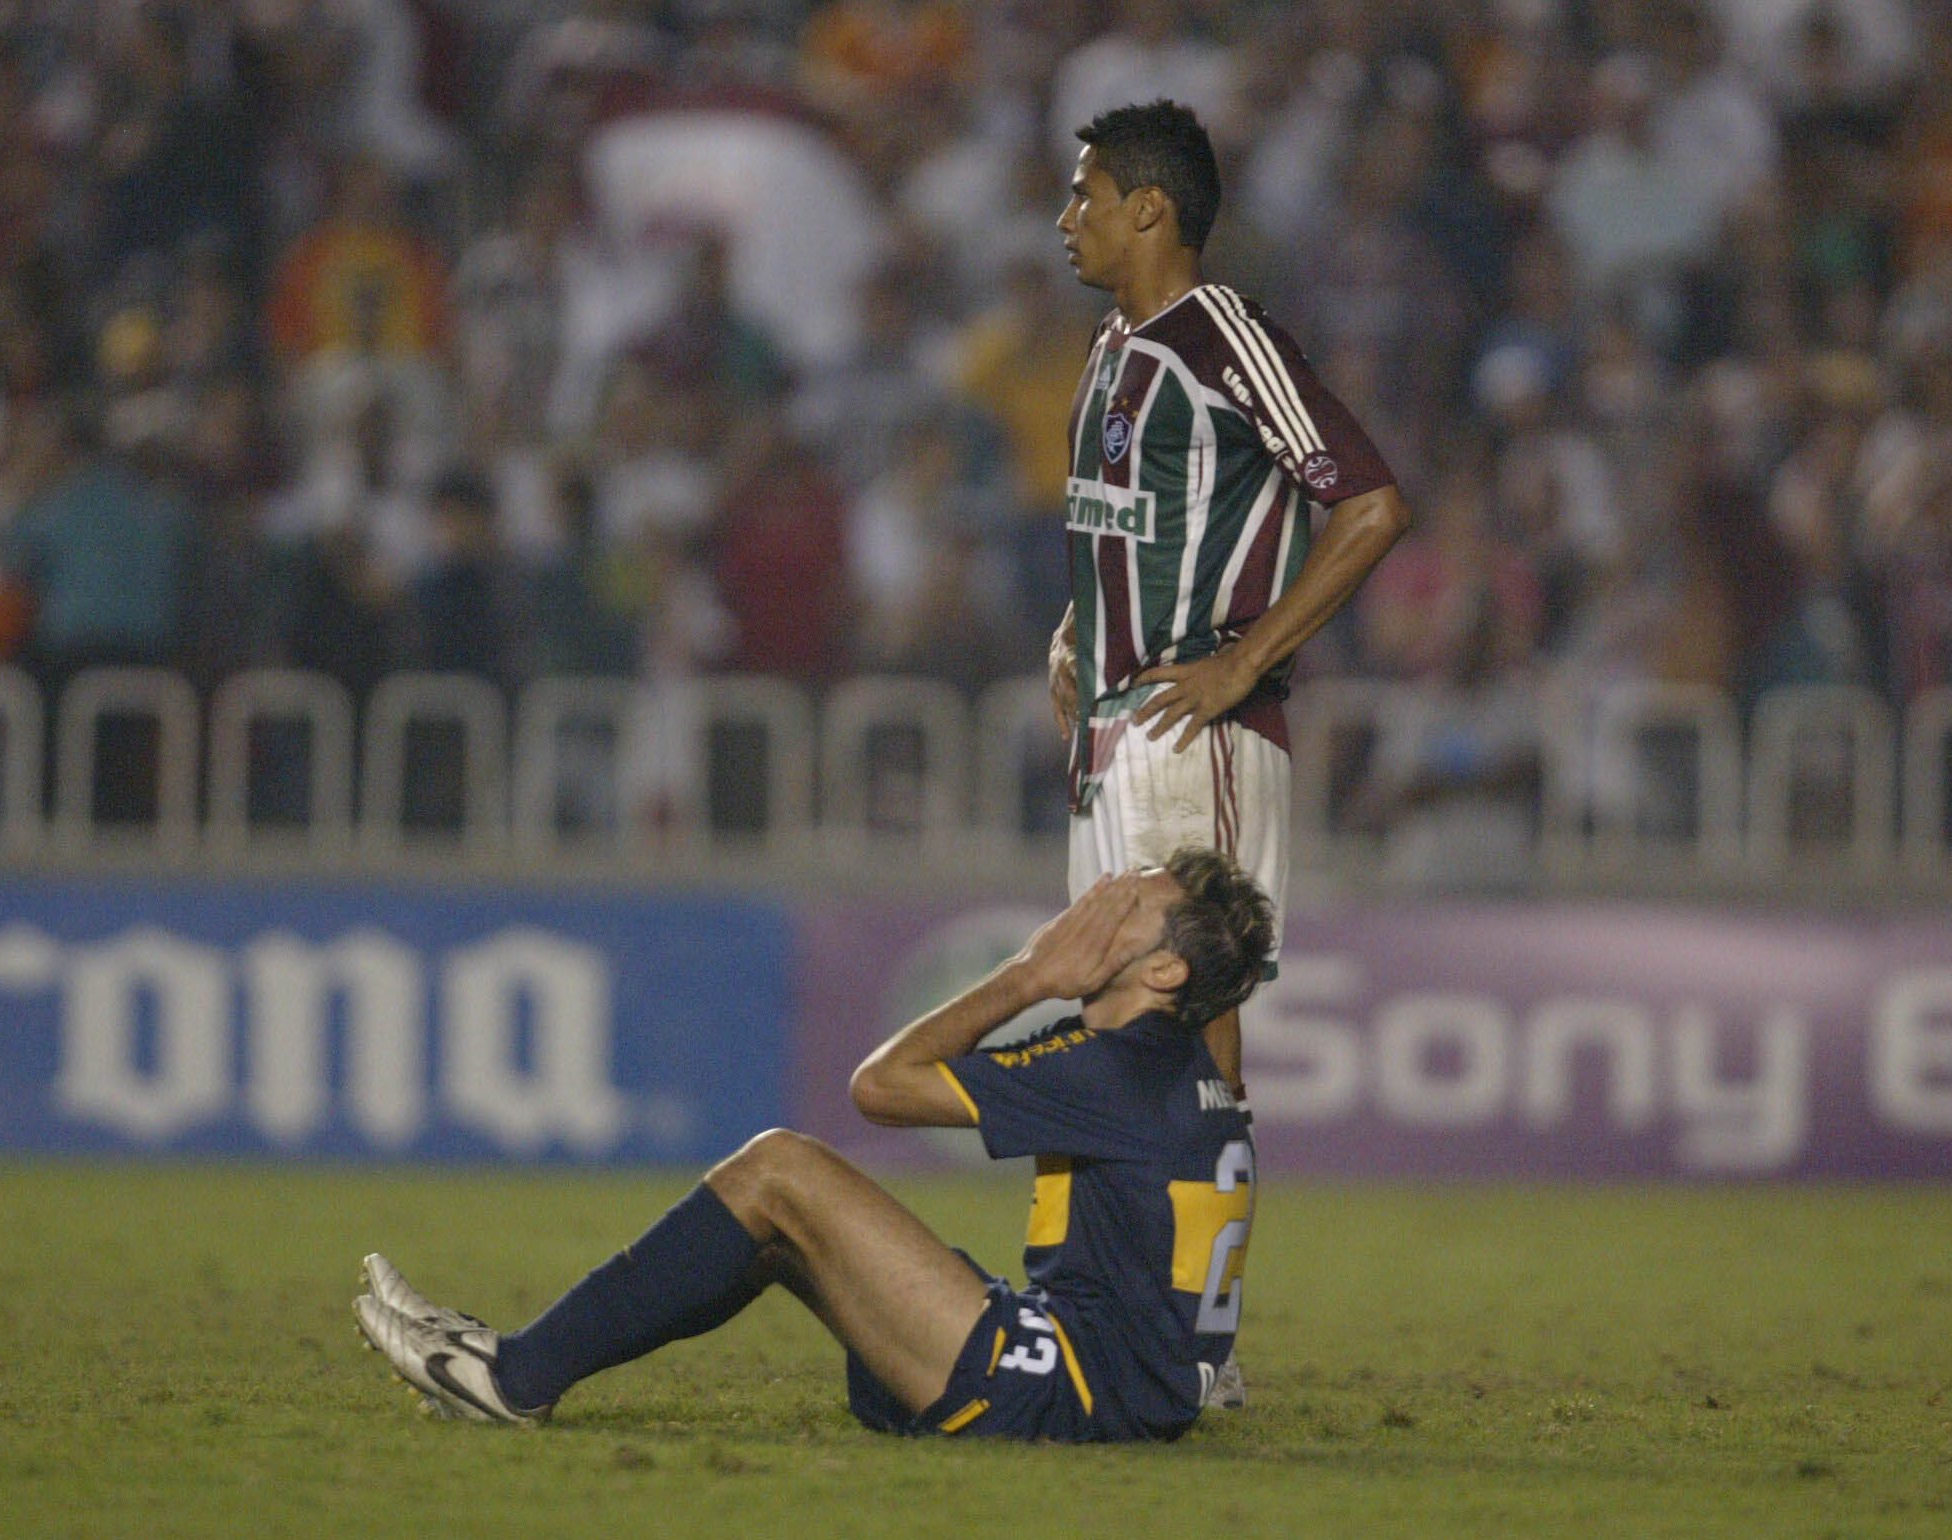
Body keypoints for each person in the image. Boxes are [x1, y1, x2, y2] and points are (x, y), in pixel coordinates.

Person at [354, 850, 1274, 1443]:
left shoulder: (1109, 1070)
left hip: (1069, 1388)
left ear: (1163, 971)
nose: (1096, 905)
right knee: (775, 1231)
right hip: (1119, 1383)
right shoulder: (1187, 1059)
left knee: (779, 1169)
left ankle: (510, 1379)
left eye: (1128, 907)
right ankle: (526, 1361)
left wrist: (1031, 974)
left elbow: (879, 1087)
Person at [1045, 101, 1410, 1104]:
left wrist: (1243, 661)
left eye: (1084, 196)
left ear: (1150, 209)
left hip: (1191, 724)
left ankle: (1204, 1255)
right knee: (1114, 1009)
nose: (1064, 218)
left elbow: (1371, 507)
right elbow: (1123, 517)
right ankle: (1123, 1258)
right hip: (1115, 731)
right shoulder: (1113, 344)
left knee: (1185, 1008)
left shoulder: (1224, 339)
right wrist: (1076, 628)